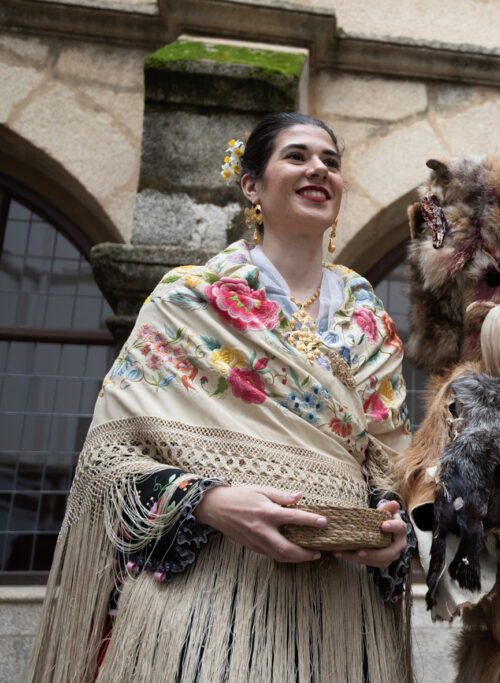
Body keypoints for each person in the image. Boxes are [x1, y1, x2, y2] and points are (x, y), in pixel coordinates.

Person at [28, 113, 414, 682]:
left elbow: (392, 465)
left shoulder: (373, 323)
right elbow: (106, 461)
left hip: (340, 608)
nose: (319, 170)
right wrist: (210, 503)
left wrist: (391, 531)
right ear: (251, 186)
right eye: (298, 156)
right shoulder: (186, 302)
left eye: (331, 162)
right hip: (206, 596)